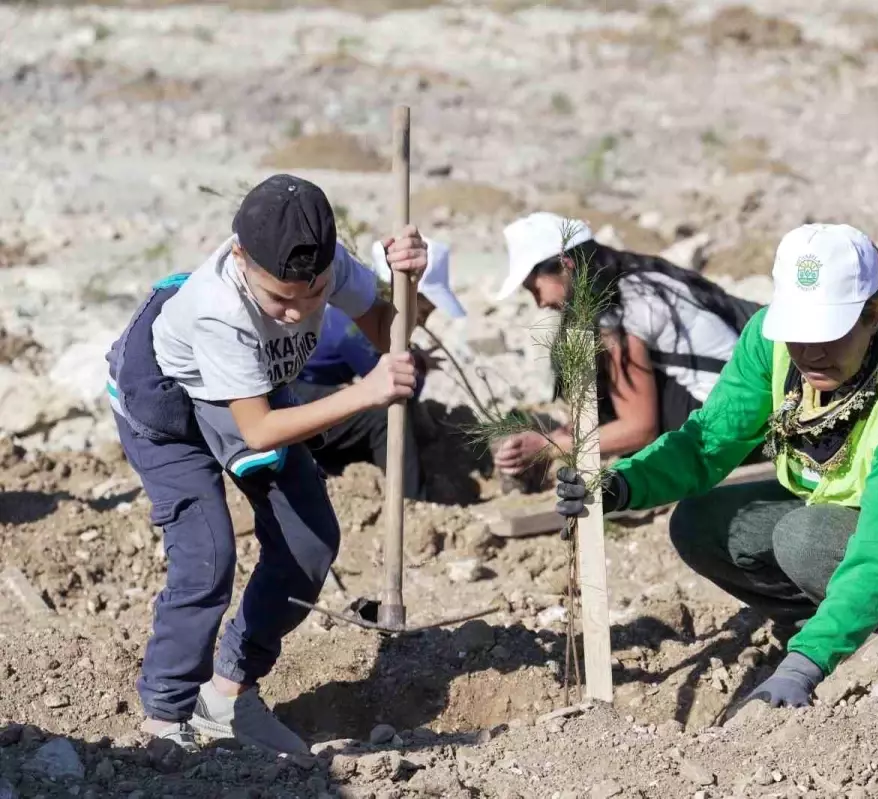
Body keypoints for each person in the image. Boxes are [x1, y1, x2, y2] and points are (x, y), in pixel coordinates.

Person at [554, 223, 878, 705]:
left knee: (805, 539)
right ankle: (836, 625)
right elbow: (707, 443)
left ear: (875, 313)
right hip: (843, 511)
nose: (811, 352)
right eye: (798, 332)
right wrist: (622, 484)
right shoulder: (771, 342)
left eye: (829, 333)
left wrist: (803, 668)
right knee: (702, 523)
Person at [104, 174, 428, 758]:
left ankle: (227, 696)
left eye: (313, 295)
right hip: (164, 403)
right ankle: (167, 715)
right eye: (279, 299)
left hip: (247, 387)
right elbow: (257, 430)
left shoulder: (324, 267)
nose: (296, 312)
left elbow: (390, 330)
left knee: (310, 542)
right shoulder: (216, 307)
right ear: (240, 257)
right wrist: (366, 393)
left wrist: (409, 280)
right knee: (207, 557)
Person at [492, 211, 762, 483]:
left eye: (534, 289)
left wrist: (549, 447)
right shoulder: (633, 278)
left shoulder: (622, 310)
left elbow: (639, 428)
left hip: (732, 429)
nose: (539, 303)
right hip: (749, 406)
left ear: (566, 265)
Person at [293, 239, 466, 496]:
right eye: (424, 311)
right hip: (294, 396)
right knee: (386, 417)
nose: (424, 321)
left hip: (309, 389)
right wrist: (418, 366)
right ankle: (411, 503)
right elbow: (396, 388)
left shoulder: (357, 309)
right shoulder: (352, 325)